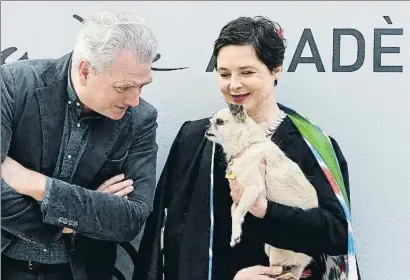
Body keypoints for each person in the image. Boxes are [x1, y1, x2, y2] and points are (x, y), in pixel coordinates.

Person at [135, 16, 358, 280]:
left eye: (247, 72)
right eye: (224, 73)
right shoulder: (195, 139)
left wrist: (267, 211)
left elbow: (337, 235)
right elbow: (162, 235)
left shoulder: (314, 146)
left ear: (276, 70)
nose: (234, 85)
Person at [1, 11, 158, 280]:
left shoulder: (141, 119)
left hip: (82, 271)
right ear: (85, 70)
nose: (134, 100)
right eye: (124, 87)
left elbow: (130, 219)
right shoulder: (13, 85)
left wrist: (35, 184)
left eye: (142, 86)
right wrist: (74, 220)